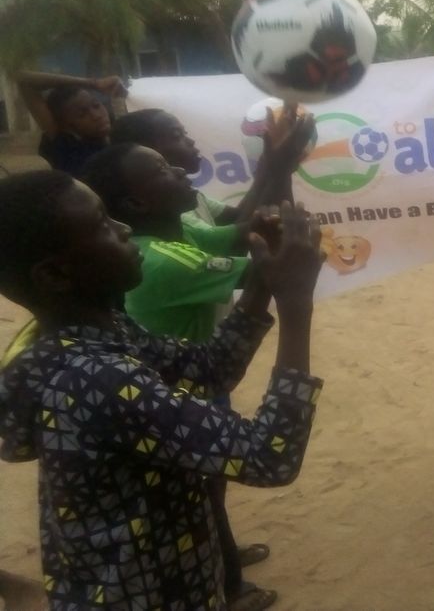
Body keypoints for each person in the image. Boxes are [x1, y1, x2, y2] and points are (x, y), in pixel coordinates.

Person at [0, 170, 323, 610]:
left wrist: (263, 282)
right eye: (102, 224)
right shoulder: (95, 376)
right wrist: (296, 306)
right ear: (55, 274)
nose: (124, 229)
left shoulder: (97, 333)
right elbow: (270, 456)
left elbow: (208, 369)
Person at [81, 143, 289, 610]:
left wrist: (278, 169)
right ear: (136, 202)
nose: (177, 168)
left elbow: (246, 234)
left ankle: (223, 557)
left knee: (208, 488)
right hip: (179, 390)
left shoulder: (181, 230)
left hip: (191, 374)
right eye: (161, 168)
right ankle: (231, 588)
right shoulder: (161, 260)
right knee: (205, 489)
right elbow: (270, 269)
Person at [109, 106, 313, 252]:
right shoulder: (172, 216)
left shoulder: (191, 197)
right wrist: (279, 166)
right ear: (144, 151)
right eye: (177, 135)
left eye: (185, 133)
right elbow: (237, 244)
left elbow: (239, 218)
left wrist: (271, 163)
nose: (190, 141)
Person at [14, 69, 127, 175]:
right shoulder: (68, 149)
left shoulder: (123, 135)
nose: (96, 116)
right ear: (67, 126)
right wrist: (94, 83)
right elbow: (24, 80)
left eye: (96, 105)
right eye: (82, 114)